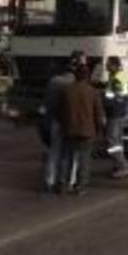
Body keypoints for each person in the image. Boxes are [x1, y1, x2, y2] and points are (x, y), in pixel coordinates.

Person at [58, 63, 104, 195]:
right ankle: (81, 186)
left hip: (70, 129)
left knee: (66, 157)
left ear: (75, 75)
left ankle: (63, 184)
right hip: (87, 131)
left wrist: (64, 124)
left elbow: (60, 111)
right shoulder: (92, 92)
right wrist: (99, 131)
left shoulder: (66, 90)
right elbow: (98, 114)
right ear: (87, 76)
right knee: (84, 159)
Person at [42, 51, 84, 192]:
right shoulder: (76, 84)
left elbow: (47, 103)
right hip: (71, 122)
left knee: (54, 151)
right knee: (72, 153)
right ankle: (69, 181)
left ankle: (49, 180)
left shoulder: (53, 81)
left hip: (56, 120)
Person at [103, 56, 128, 179]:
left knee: (112, 142)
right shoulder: (121, 76)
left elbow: (116, 99)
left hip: (115, 114)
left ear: (114, 65)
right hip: (120, 114)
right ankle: (118, 165)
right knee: (118, 141)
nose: (106, 66)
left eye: (108, 64)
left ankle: (123, 166)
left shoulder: (116, 79)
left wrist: (104, 102)